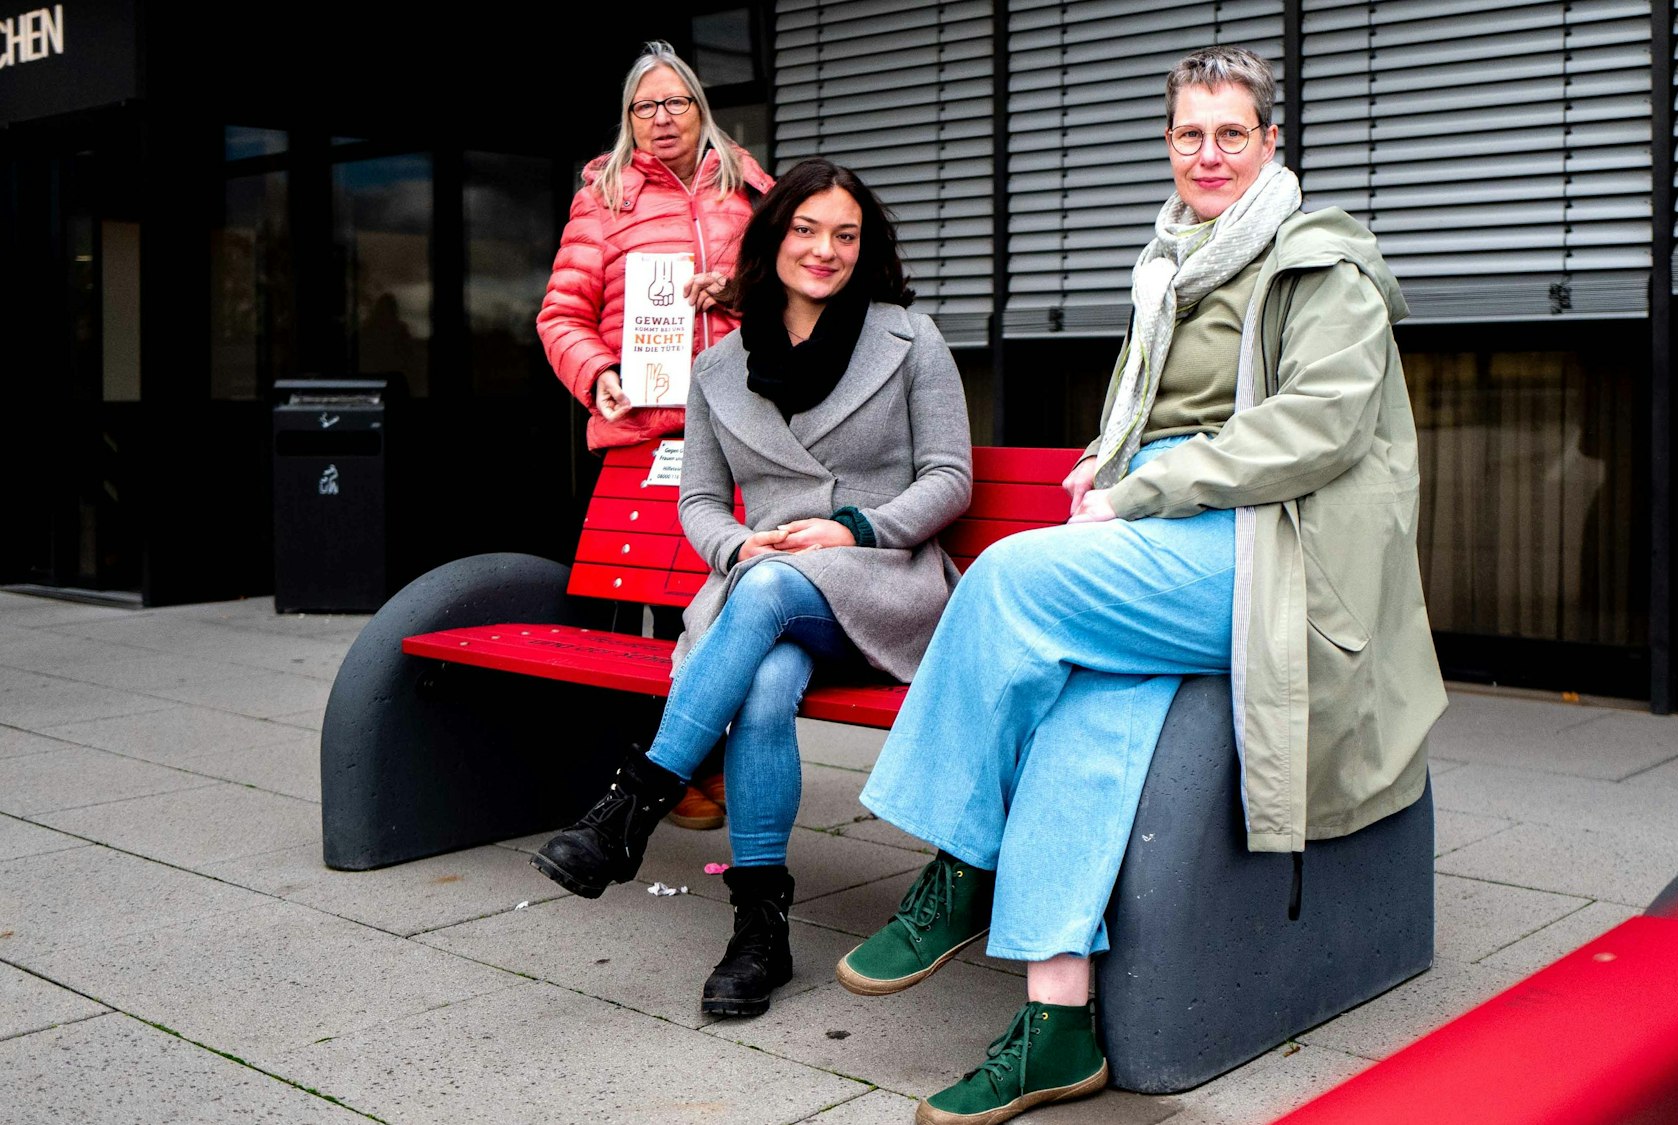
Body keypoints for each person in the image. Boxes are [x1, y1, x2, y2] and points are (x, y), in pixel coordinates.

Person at [836, 46, 1448, 1125]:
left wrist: (1148, 490)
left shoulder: (1320, 267)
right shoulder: (1171, 262)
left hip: (1275, 555)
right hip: (1184, 535)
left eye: (1228, 133)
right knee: (1089, 708)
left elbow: (1315, 427)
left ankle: (961, 857)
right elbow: (1150, 422)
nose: (1205, 154)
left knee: (1008, 583)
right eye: (1185, 135)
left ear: (1269, 141)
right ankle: (1058, 1024)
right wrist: (1105, 470)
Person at [529, 158, 974, 1020]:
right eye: (806, 229)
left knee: (767, 590)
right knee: (765, 683)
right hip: (764, 592)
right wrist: (739, 542)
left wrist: (853, 528)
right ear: (771, 239)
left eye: (846, 234)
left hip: (883, 584)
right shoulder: (718, 367)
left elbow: (949, 478)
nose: (826, 249)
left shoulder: (910, 338)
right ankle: (759, 930)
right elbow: (698, 500)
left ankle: (635, 800)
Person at [537, 40, 775, 831]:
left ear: (701, 109)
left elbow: (800, 289)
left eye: (676, 103)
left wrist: (737, 289)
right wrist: (596, 371)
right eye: (646, 106)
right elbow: (561, 315)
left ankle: (694, 763)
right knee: (629, 605)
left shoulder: (751, 187)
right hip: (644, 432)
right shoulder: (602, 200)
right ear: (629, 120)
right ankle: (643, 763)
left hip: (743, 425)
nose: (662, 118)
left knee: (714, 601)